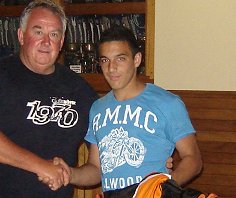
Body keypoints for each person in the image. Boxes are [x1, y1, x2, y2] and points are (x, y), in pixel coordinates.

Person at [0, 0, 98, 197]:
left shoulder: (81, 90)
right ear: (21, 35)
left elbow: (97, 169)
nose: (46, 42)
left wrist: (69, 174)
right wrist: (41, 167)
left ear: (61, 42)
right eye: (38, 31)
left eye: (54, 34)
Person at [49, 25, 202, 197]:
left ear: (136, 59)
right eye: (105, 60)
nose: (111, 68)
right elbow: (96, 168)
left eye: (120, 59)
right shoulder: (97, 108)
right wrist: (69, 173)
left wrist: (163, 187)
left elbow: (193, 159)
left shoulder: (168, 103)